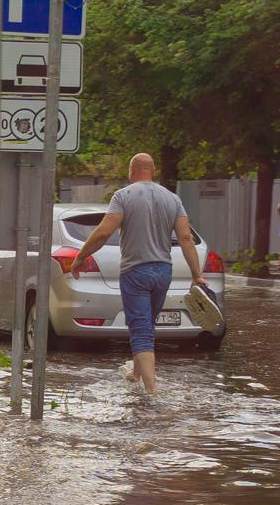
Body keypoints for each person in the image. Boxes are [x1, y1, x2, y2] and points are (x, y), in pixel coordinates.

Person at [69, 152, 205, 394]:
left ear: (132, 171)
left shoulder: (123, 196)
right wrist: (197, 275)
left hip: (136, 271)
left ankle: (151, 390)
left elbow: (103, 232)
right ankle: (136, 373)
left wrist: (81, 257)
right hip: (163, 271)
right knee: (146, 324)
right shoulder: (173, 199)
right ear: (152, 170)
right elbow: (185, 237)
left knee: (140, 327)